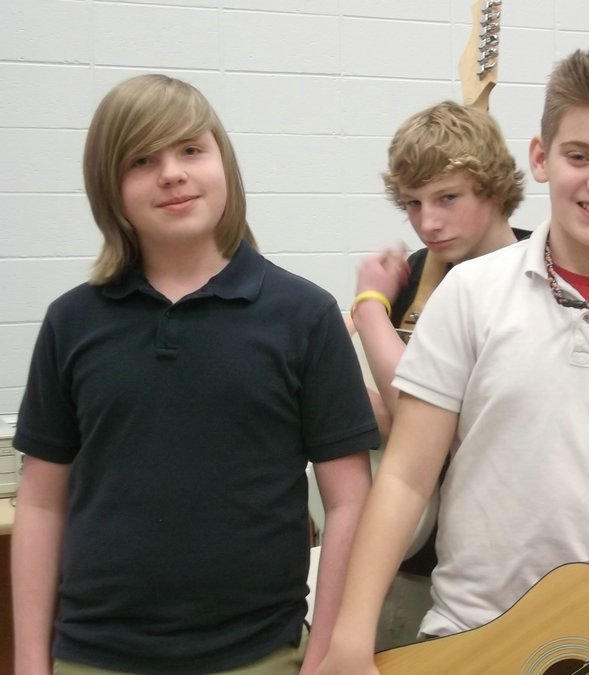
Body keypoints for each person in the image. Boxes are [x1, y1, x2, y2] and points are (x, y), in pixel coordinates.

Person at [318, 50, 589, 674]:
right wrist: (349, 638)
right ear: (540, 157)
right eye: (578, 156)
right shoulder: (470, 294)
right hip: (472, 635)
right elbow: (405, 479)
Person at [10, 75, 378, 675]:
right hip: (94, 654)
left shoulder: (304, 316)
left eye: (190, 150)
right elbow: (41, 504)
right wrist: (30, 663)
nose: (172, 174)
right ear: (108, 186)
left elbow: (350, 501)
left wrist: (324, 654)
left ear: (223, 162)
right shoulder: (72, 322)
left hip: (262, 654)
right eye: (141, 159)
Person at [347, 100, 528, 650]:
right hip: (408, 553)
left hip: (496, 568)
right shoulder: (413, 274)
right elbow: (391, 417)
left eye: (447, 198)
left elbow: (420, 414)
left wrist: (369, 308)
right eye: (413, 203)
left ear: (493, 188)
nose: (428, 222)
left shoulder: (530, 278)